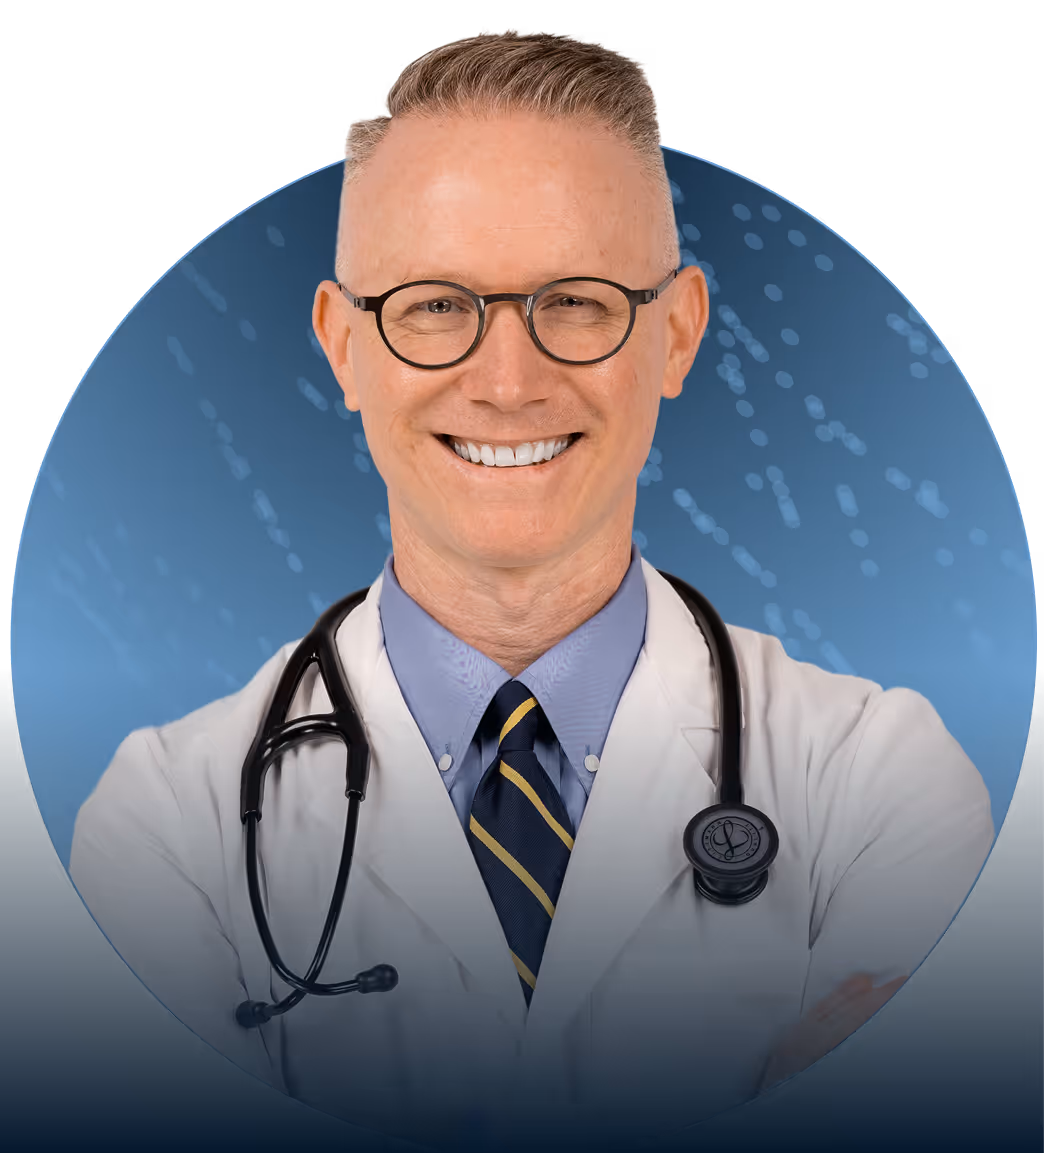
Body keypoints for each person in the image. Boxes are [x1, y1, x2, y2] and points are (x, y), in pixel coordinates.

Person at [69, 28, 993, 1147]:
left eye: (578, 301)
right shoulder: (164, 821)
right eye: (432, 305)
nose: (508, 382)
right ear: (343, 347)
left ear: (677, 334)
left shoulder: (881, 782)